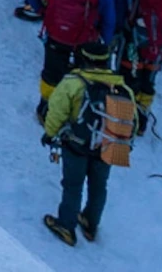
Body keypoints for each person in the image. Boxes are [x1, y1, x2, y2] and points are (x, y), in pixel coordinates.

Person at [40, 43, 134, 245]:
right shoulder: (122, 87)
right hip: (107, 146)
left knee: (73, 185)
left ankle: (66, 225)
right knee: (99, 186)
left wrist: (49, 133)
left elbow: (57, 111)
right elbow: (129, 121)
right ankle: (90, 223)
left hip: (76, 144)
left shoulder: (73, 83)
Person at [20, 0, 108, 106]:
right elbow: (108, 18)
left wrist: (40, 10)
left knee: (51, 74)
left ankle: (45, 107)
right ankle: (73, 108)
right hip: (84, 39)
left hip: (55, 34)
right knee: (81, 76)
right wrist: (104, 42)